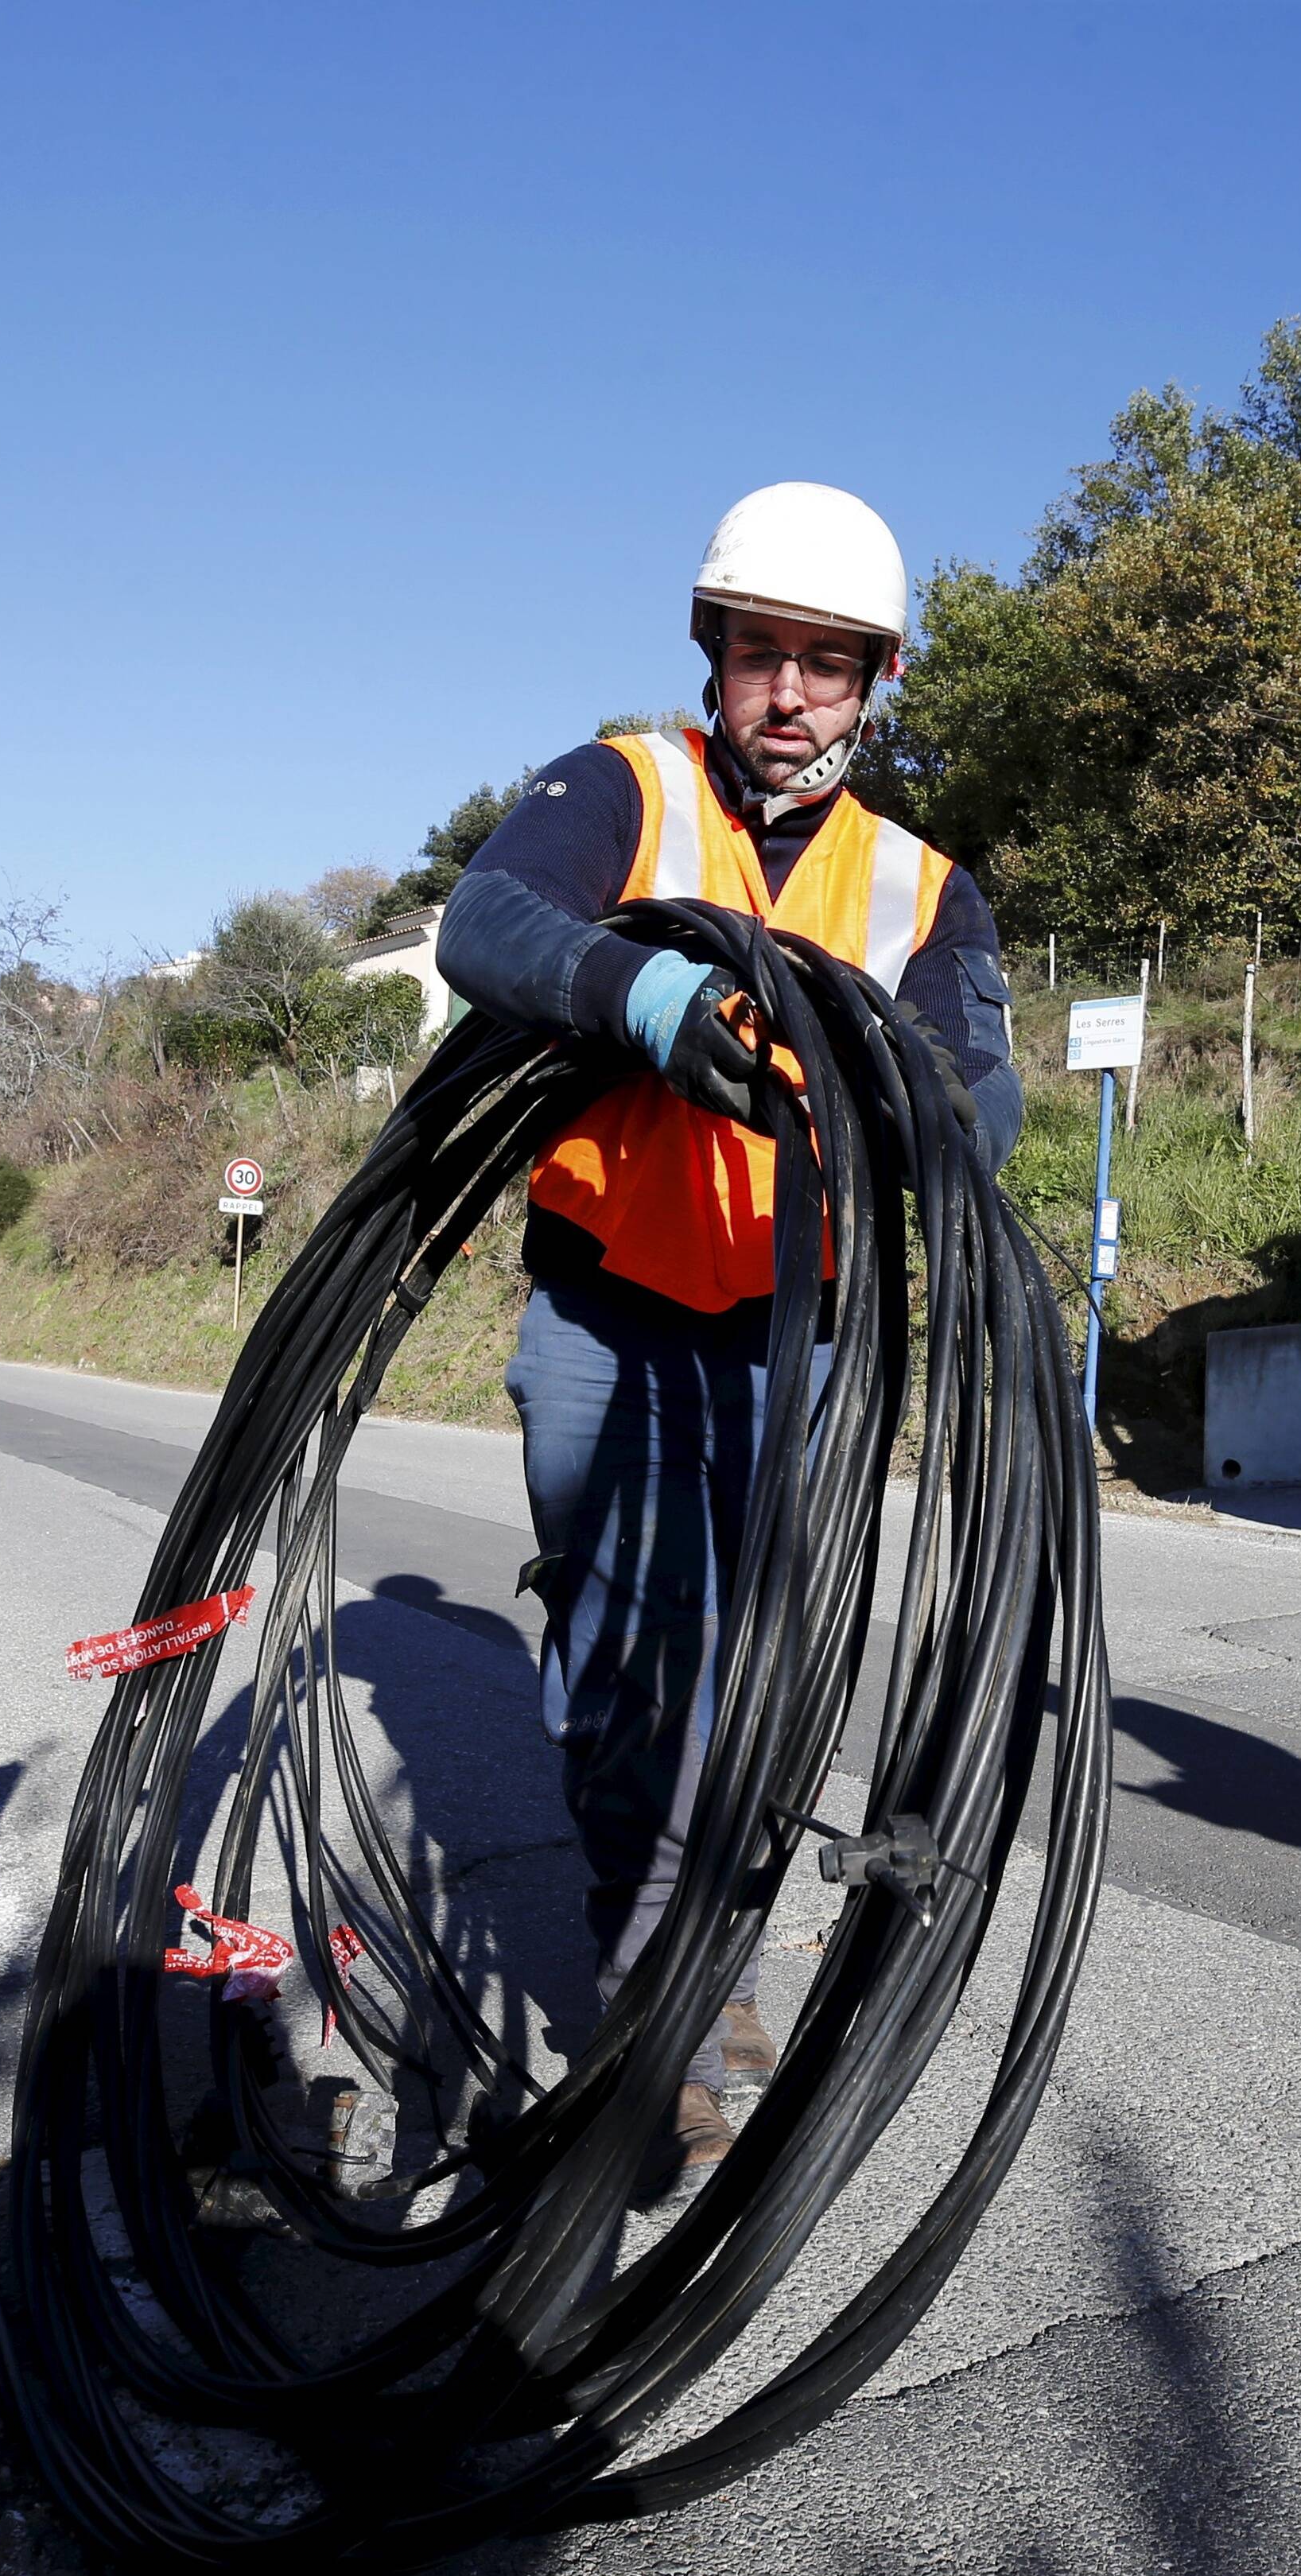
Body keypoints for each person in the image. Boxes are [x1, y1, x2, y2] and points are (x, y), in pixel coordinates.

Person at [437, 483, 1024, 2182]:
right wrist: (648, 992)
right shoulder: (625, 790)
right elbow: (491, 923)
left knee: (768, 1669)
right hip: (608, 1307)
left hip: (802, 1334)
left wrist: (882, 1096)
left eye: (825, 666)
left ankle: (705, 1982)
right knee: (626, 1669)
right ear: (716, 651)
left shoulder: (923, 889)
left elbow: (976, 1106)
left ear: (874, 681)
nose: (788, 696)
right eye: (761, 654)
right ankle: (659, 1985)